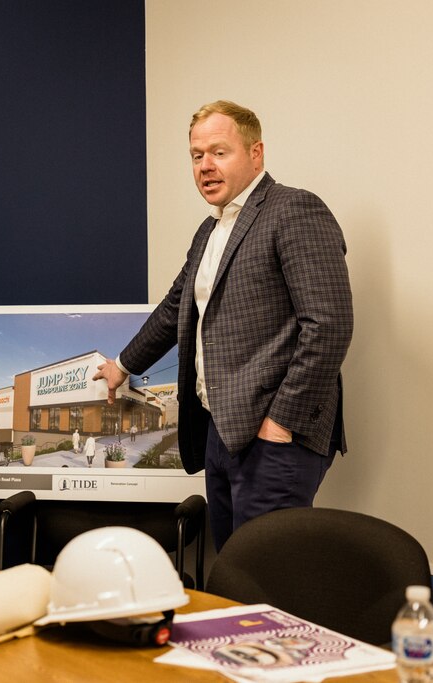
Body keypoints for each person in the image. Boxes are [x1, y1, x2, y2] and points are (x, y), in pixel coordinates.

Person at [93, 100, 353, 550]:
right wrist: (122, 365)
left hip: (274, 438)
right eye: (197, 156)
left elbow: (329, 326)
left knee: (266, 579)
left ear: (256, 154)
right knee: (233, 570)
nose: (205, 166)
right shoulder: (209, 230)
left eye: (219, 152)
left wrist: (281, 422)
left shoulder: (295, 210)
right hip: (220, 431)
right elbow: (176, 307)